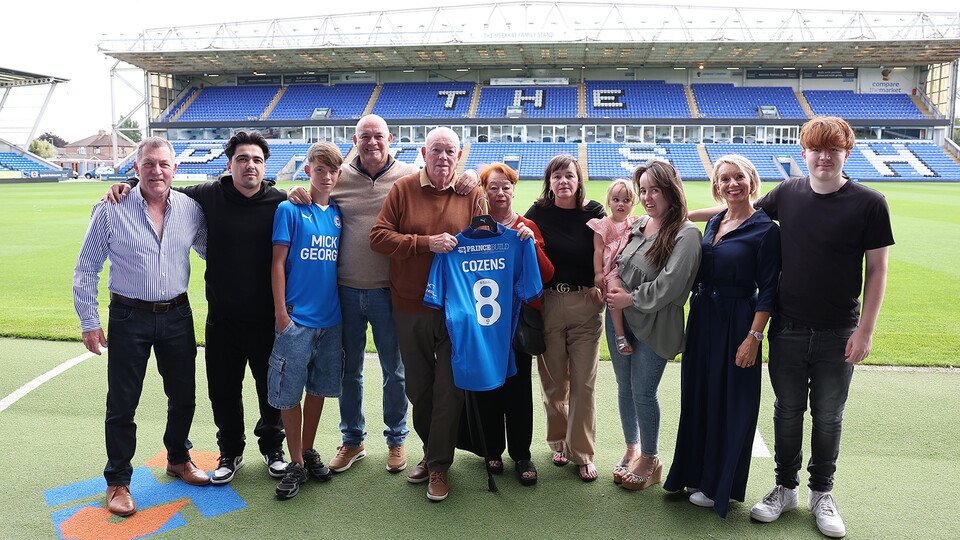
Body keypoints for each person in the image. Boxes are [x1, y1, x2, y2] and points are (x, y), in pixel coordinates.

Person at [691, 117, 892, 538]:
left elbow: (877, 270)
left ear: (846, 153)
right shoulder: (787, 193)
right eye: (816, 149)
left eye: (833, 149)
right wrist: (678, 217)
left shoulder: (870, 203)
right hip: (787, 327)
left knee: (829, 416)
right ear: (804, 153)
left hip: (839, 329)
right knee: (787, 411)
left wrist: (866, 331)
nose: (824, 157)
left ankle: (822, 493)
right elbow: (737, 213)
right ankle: (785, 488)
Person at [287, 115, 479, 475]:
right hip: (344, 288)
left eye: (378, 136)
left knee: (396, 371)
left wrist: (470, 175)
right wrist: (293, 192)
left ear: (390, 139)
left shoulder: (407, 175)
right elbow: (315, 193)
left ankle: (396, 439)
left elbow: (444, 176)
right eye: (365, 136)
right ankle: (353, 439)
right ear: (355, 140)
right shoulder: (340, 175)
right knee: (349, 371)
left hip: (390, 290)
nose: (372, 142)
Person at [105, 131, 289, 485]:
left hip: (267, 317)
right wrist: (127, 183)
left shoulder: (281, 202)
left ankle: (273, 448)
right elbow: (160, 184)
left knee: (271, 389)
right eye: (242, 159)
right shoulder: (207, 195)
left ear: (265, 166)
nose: (249, 165)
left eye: (256, 160)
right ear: (229, 164)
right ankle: (230, 451)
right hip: (222, 318)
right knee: (223, 391)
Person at [74, 137, 210, 518]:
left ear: (175, 169)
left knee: (184, 396)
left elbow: (212, 251)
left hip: (177, 314)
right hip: (128, 315)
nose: (157, 171)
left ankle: (178, 458)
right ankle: (118, 480)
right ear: (135, 169)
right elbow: (86, 268)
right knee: (122, 403)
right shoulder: (111, 209)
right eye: (149, 164)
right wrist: (89, 321)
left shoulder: (190, 210)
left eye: (164, 164)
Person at [369, 127, 484, 501]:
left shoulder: (471, 193)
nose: (443, 157)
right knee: (419, 389)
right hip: (411, 306)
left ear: (459, 155)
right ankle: (430, 451)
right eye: (437, 150)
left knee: (449, 391)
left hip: (457, 311)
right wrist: (425, 244)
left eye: (450, 151)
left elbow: (487, 243)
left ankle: (438, 465)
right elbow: (378, 237)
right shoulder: (403, 189)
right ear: (424, 152)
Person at [662, 155, 781, 517]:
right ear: (716, 186)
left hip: (738, 321)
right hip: (703, 318)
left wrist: (753, 337)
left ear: (752, 180)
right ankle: (695, 474)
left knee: (731, 402)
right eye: (724, 179)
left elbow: (769, 290)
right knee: (699, 396)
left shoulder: (767, 230)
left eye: (739, 177)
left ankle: (721, 486)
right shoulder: (715, 221)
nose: (733, 184)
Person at [456, 163, 555, 486]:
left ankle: (521, 452)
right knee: (488, 387)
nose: (500, 193)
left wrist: (531, 243)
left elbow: (547, 274)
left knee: (518, 388)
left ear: (514, 189)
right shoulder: (474, 231)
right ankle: (492, 449)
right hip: (484, 325)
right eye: (493, 187)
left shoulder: (526, 227)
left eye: (506, 187)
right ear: (485, 192)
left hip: (516, 326)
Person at [605, 160, 702, 491]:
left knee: (643, 392)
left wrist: (628, 298)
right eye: (643, 190)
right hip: (620, 318)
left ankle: (650, 458)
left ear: (671, 192)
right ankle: (632, 448)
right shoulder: (641, 223)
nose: (646, 197)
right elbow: (619, 261)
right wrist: (615, 288)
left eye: (654, 190)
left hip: (655, 323)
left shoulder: (686, 233)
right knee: (625, 387)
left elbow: (671, 286)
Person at [268, 142, 344, 500]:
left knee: (318, 390)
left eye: (332, 170)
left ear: (339, 174)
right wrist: (281, 314)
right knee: (289, 394)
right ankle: (295, 461)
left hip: (331, 320)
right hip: (296, 319)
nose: (326, 176)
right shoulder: (289, 208)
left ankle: (307, 451)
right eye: (319, 169)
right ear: (308, 170)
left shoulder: (339, 213)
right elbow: (278, 263)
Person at [523, 154, 606, 482]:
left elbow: (613, 244)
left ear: (578, 180)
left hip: (585, 304)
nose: (563, 181)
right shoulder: (537, 212)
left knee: (583, 383)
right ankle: (559, 442)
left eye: (569, 175)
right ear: (549, 182)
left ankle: (582, 453)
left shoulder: (594, 212)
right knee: (555, 382)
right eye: (556, 176)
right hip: (549, 304)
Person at [588, 179, 640, 355]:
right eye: (616, 200)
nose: (621, 204)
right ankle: (620, 334)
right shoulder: (603, 225)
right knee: (614, 293)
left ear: (633, 204)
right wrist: (598, 273)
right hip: (612, 268)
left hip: (629, 268)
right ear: (609, 202)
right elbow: (598, 250)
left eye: (626, 200)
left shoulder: (634, 222)